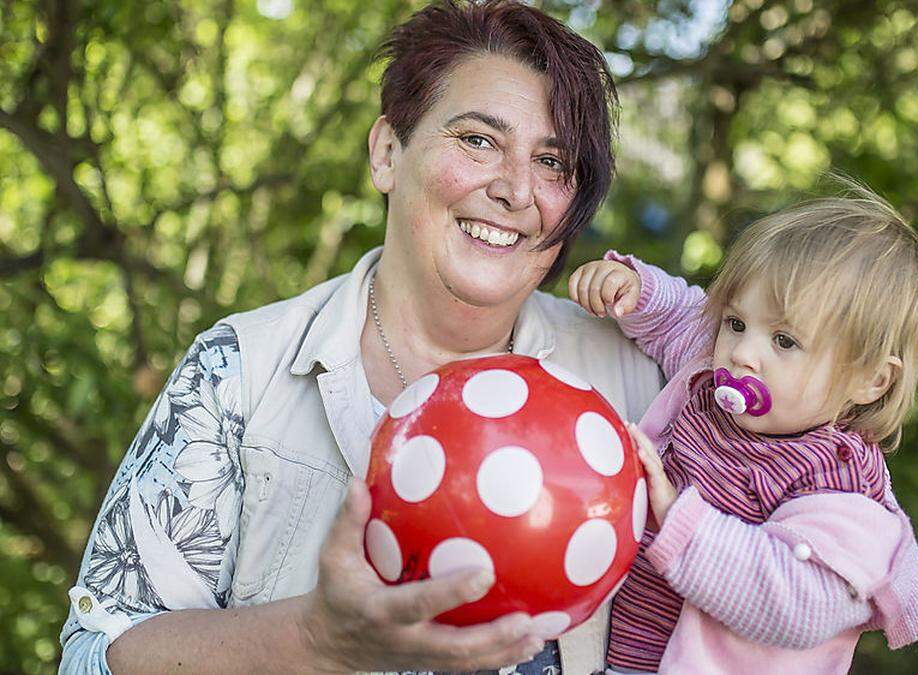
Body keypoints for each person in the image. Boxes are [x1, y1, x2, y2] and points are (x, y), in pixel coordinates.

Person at [58, 2, 663, 673]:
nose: (516, 189)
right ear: (386, 153)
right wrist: (315, 640)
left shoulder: (636, 379)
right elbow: (92, 654)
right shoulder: (240, 370)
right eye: (478, 140)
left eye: (552, 160)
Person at [568, 185, 918, 673]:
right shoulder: (711, 379)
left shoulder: (840, 484)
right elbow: (683, 318)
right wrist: (635, 290)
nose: (743, 352)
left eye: (785, 340)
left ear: (869, 379)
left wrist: (678, 518)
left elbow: (798, 603)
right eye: (737, 323)